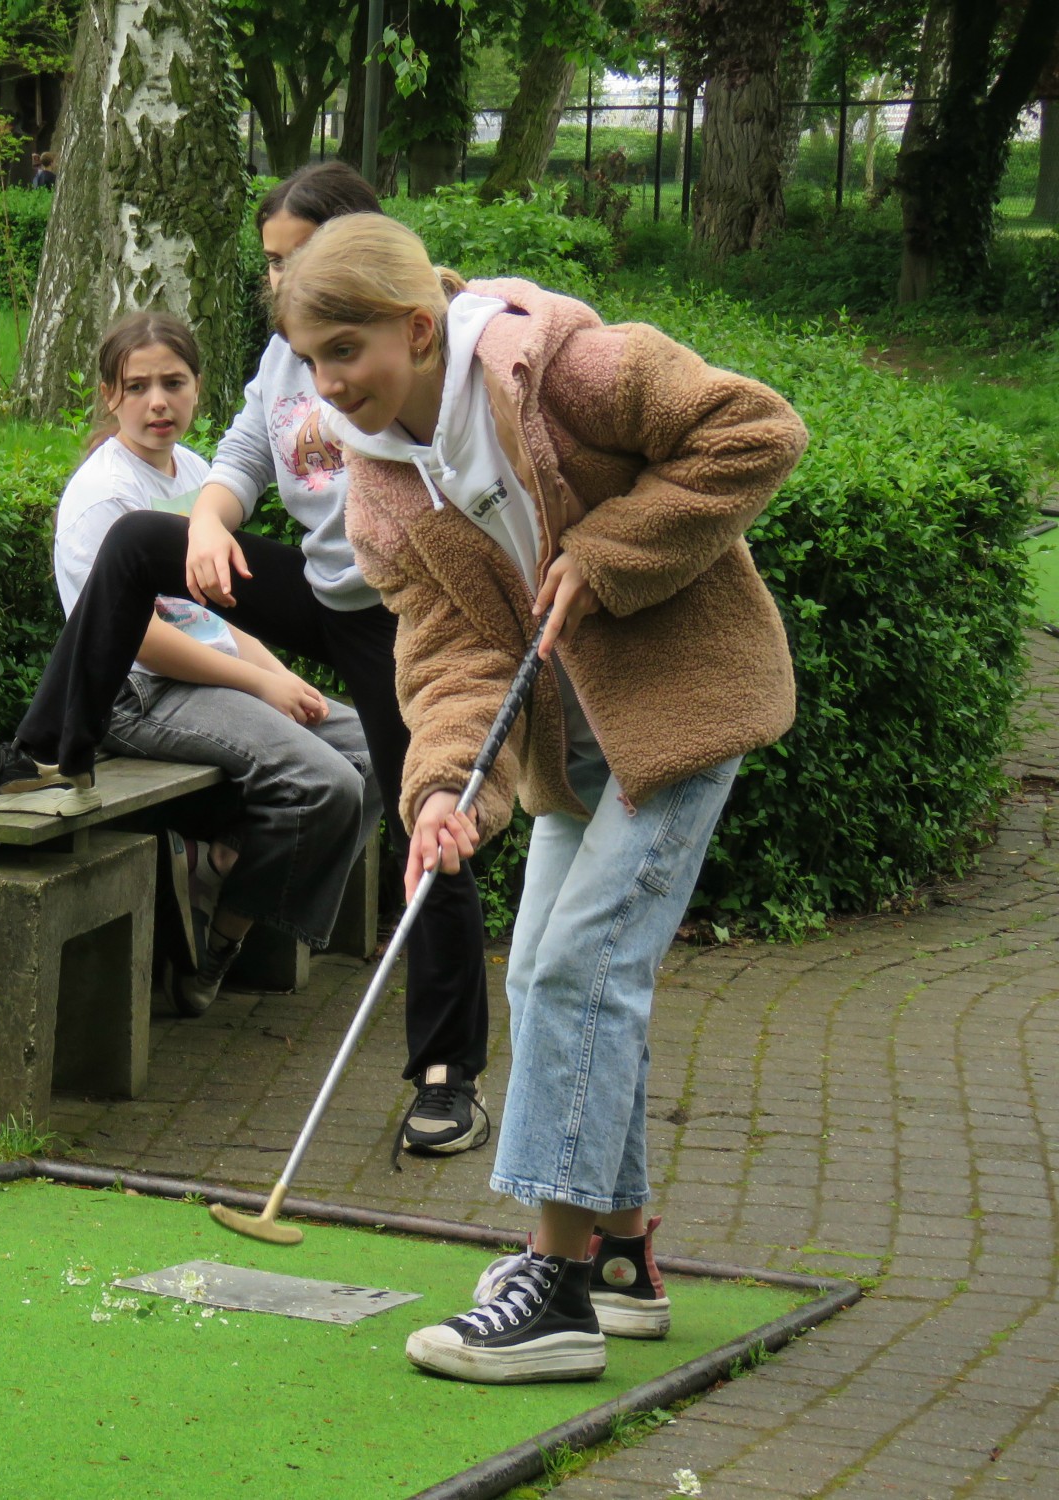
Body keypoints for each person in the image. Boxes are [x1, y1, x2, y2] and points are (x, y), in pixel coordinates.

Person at [271, 213, 805, 1384]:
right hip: (569, 746)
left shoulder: (564, 366)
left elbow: (755, 428)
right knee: (536, 969)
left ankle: (552, 1286)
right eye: (312, 360)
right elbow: (450, 654)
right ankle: (618, 1260)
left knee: (582, 969)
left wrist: (608, 550)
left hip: (678, 711)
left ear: (417, 329)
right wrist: (441, 791)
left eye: (347, 350)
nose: (330, 384)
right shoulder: (378, 490)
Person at [0, 162, 492, 1159]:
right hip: (322, 586)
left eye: (294, 261)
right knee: (137, 544)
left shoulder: (424, 344)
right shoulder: (288, 352)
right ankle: (50, 747)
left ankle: (446, 1075)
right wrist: (205, 516)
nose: (276, 283)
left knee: (427, 806)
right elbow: (242, 448)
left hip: (396, 609)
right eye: (271, 264)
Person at [0, 310, 379, 1013]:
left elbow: (221, 604)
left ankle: (226, 880)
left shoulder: (197, 474)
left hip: (207, 674)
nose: (158, 402)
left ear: (199, 389)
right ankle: (213, 947)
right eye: (138, 385)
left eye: (173, 383)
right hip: (137, 694)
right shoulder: (101, 497)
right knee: (326, 783)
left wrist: (280, 672)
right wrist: (260, 682)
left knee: (376, 749)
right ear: (109, 394)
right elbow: (141, 638)